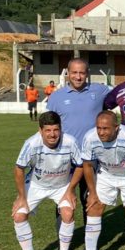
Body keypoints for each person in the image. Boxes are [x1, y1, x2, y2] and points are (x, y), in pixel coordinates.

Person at [11, 111, 83, 250]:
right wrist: (21, 197)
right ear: (40, 130)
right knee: (19, 215)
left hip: (62, 185)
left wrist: (71, 190)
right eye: (48, 130)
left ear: (60, 129)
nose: (52, 134)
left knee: (68, 212)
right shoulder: (31, 143)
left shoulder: (70, 142)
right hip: (36, 184)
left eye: (56, 130)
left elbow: (80, 165)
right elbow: (18, 168)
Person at [77, 111, 125, 250]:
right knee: (94, 207)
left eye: (106, 128)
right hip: (105, 173)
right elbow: (87, 165)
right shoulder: (89, 137)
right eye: (98, 128)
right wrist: (92, 192)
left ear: (117, 127)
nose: (101, 132)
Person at [47, 58, 113, 212]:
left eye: (82, 73)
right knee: (63, 202)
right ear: (67, 73)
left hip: (92, 156)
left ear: (87, 74)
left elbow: (122, 94)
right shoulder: (56, 97)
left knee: (90, 200)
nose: (78, 77)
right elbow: (48, 126)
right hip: (65, 156)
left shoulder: (99, 90)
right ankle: (65, 236)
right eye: (74, 73)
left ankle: (89, 236)